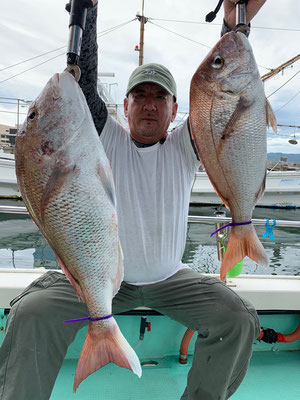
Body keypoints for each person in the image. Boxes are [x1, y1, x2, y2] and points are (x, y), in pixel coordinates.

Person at [0, 1, 266, 399]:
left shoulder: (184, 146)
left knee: (239, 319)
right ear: (124, 106)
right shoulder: (104, 138)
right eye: (139, 95)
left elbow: (225, 95)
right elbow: (83, 80)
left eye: (160, 97)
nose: (149, 103)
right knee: (30, 313)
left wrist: (232, 27)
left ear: (176, 110)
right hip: (101, 281)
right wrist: (86, 13)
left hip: (170, 279)